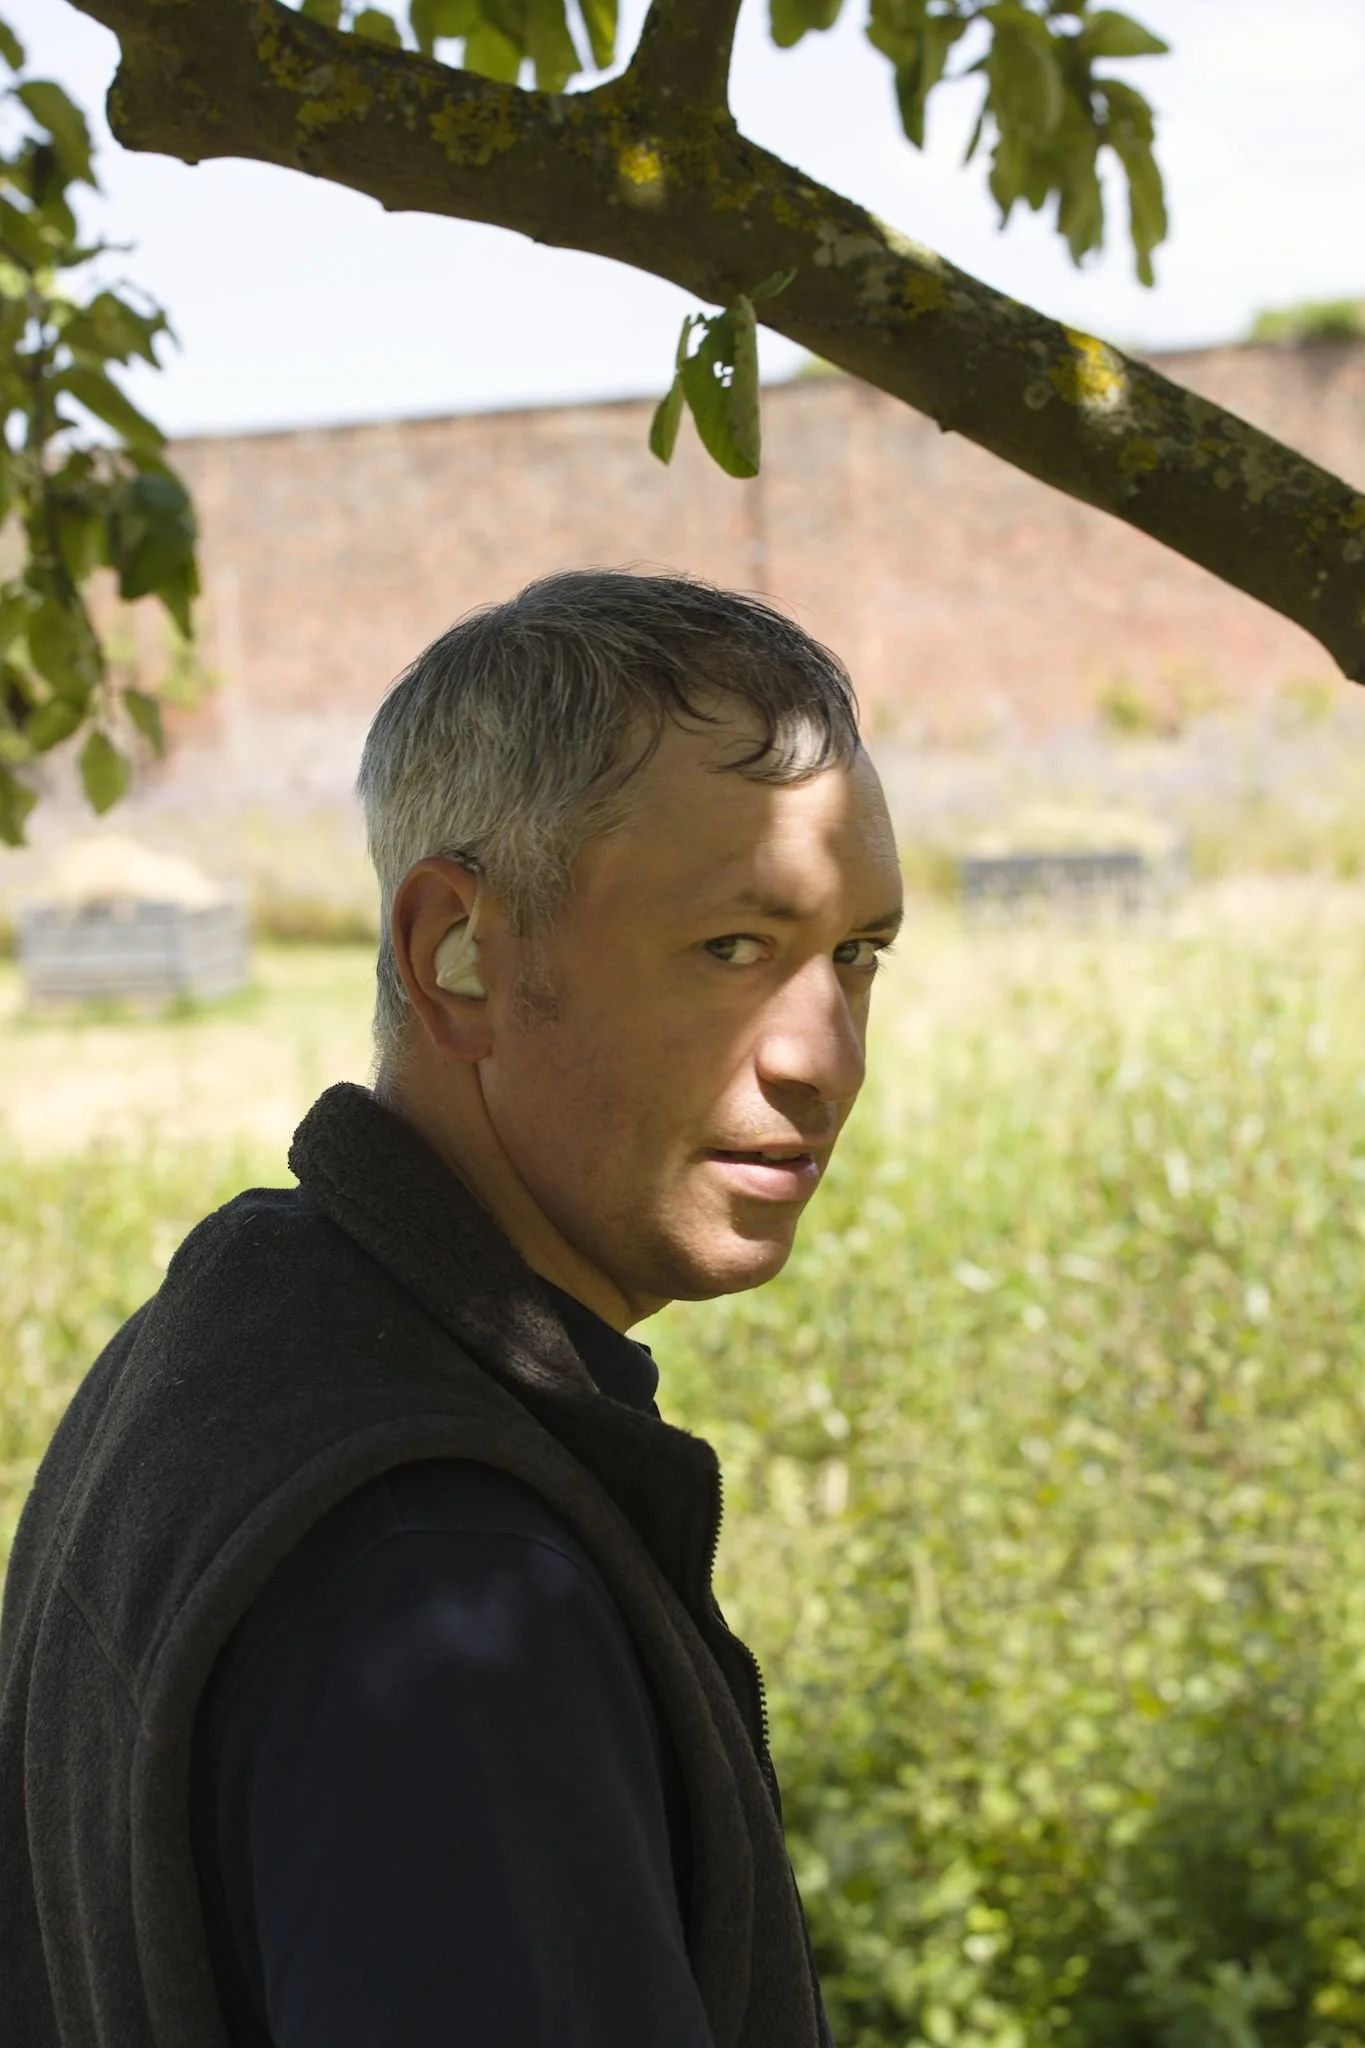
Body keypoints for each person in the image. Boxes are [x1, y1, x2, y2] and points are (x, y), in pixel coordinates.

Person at [0, 570, 903, 2048]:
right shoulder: (442, 1581)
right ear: (456, 956)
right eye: (735, 947)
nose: (826, 1058)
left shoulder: (237, 1326)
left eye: (857, 957)